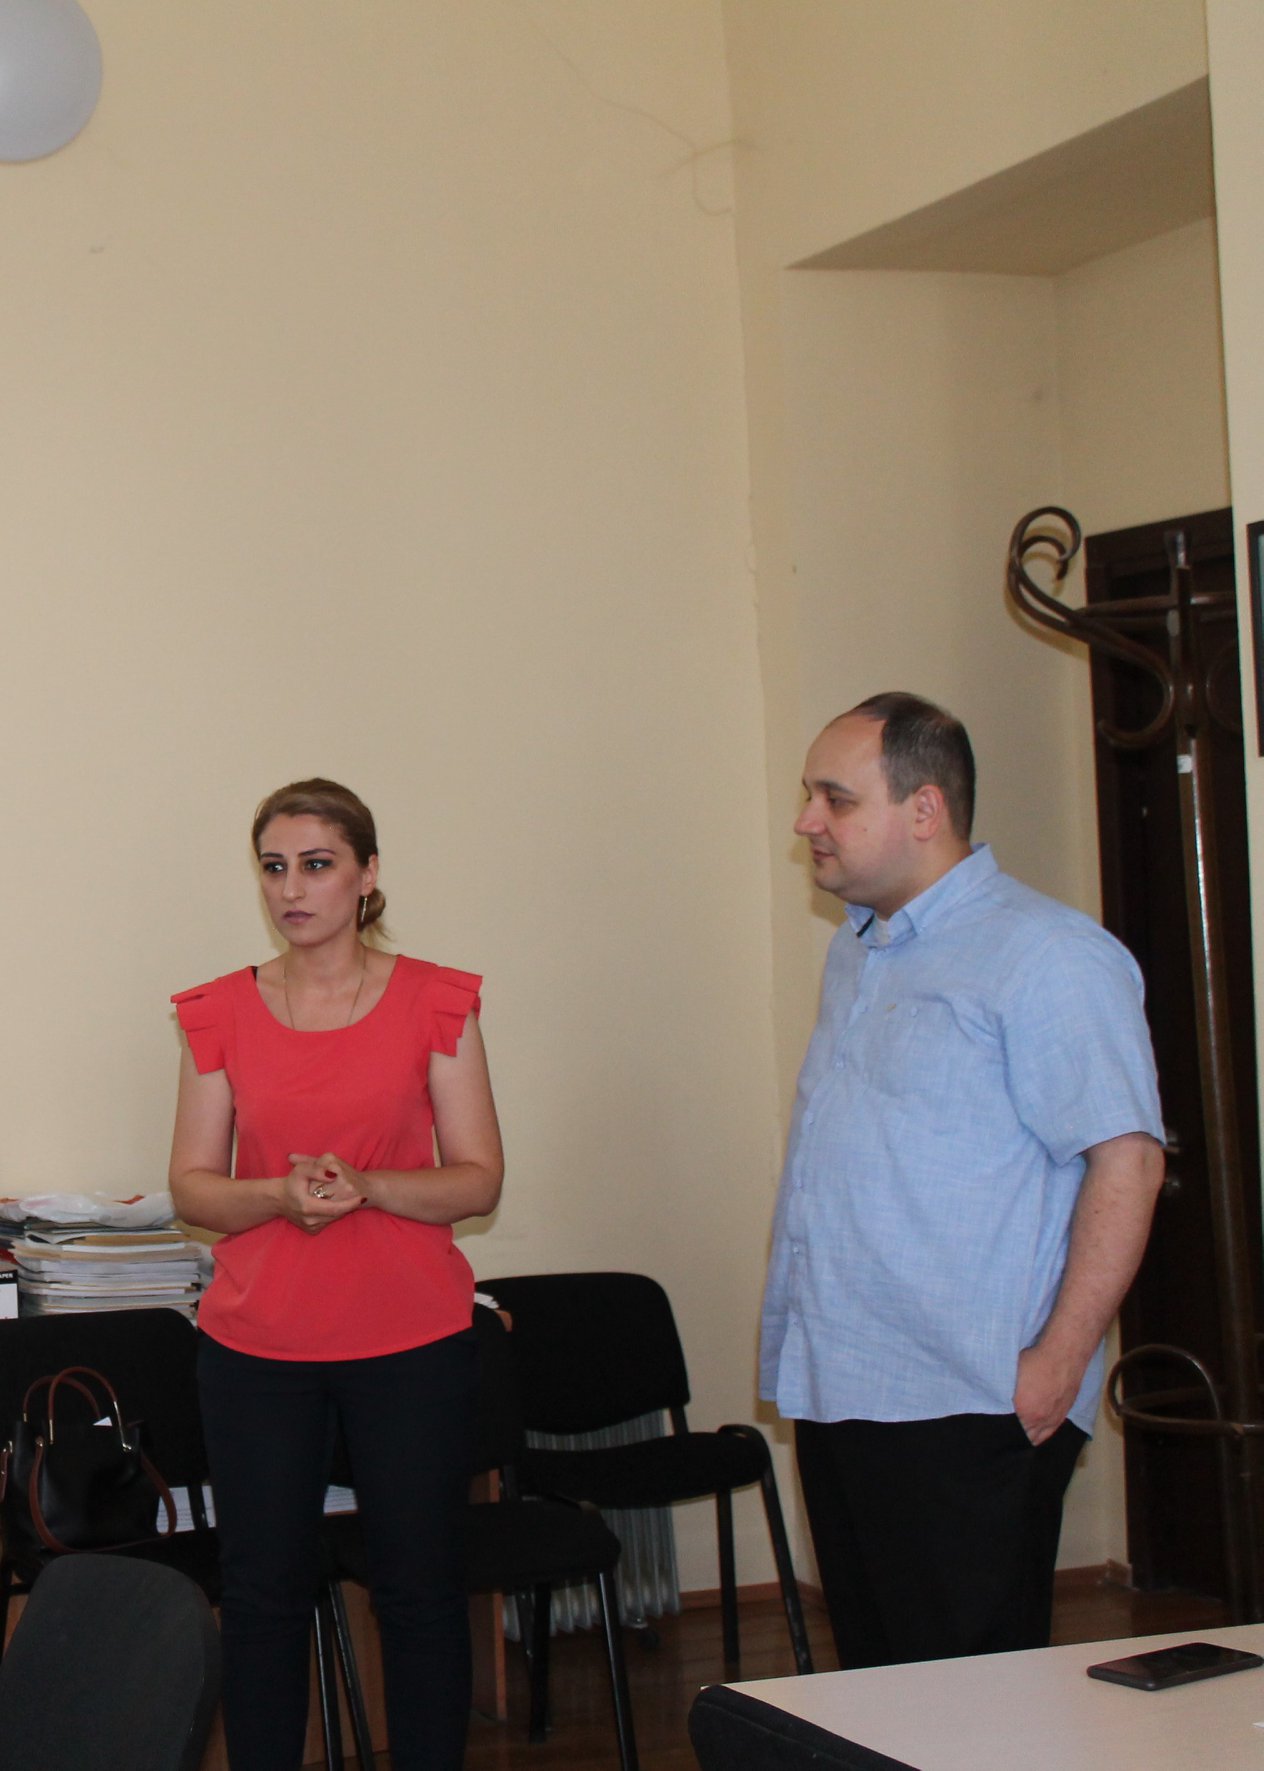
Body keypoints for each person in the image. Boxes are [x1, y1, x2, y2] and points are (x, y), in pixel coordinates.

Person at [761, 692, 1165, 1670]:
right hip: (844, 1383)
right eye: (809, 795)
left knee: (974, 1698)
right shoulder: (857, 948)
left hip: (968, 1399)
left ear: (924, 809)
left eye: (834, 798)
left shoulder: (1049, 955)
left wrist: (1059, 1360)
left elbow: (1129, 1159)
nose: (807, 821)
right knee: (879, 1690)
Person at [169, 778, 503, 1771]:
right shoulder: (218, 1011)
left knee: (419, 1591)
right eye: (274, 867)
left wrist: (370, 1185)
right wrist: (279, 1195)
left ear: (366, 874)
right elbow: (192, 1186)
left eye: (316, 864)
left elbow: (478, 1177)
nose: (291, 888)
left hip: (411, 1343)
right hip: (257, 1348)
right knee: (262, 1597)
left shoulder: (437, 1000)